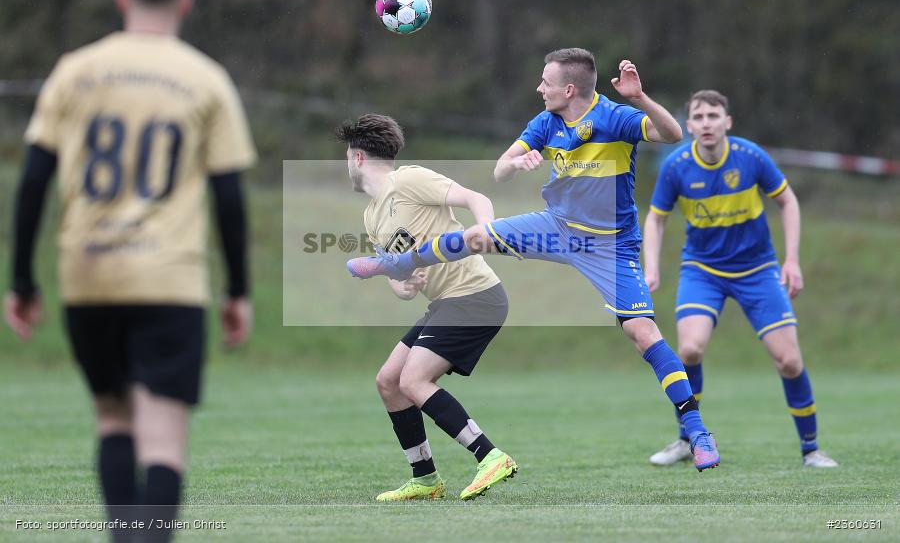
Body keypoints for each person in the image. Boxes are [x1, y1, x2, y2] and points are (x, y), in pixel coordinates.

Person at [349, 50, 720, 471]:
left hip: (609, 246)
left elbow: (672, 134)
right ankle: (397, 264)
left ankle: (697, 430)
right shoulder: (545, 122)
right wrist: (516, 162)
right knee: (475, 235)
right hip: (554, 227)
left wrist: (641, 98)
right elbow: (499, 171)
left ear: (569, 88)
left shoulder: (615, 117)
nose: (538, 89)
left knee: (642, 333)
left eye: (545, 82)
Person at [3, 0, 257, 540]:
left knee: (113, 418)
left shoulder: (75, 70)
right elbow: (228, 197)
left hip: (88, 275)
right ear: (185, 2)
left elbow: (34, 179)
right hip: (169, 277)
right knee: (164, 437)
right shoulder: (205, 79)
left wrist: (20, 278)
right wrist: (239, 290)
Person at [642, 89, 837, 468]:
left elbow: (788, 201)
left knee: (789, 361)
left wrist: (792, 260)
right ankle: (688, 440)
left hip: (758, 270)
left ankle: (811, 449)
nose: (706, 123)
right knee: (690, 350)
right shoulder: (677, 165)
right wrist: (651, 266)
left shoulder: (750, 157)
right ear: (689, 125)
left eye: (713, 116)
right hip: (703, 270)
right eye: (698, 117)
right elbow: (656, 217)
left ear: (727, 122)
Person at [338, 113, 517, 501]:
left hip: (475, 295)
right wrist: (405, 286)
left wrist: (486, 228)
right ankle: (425, 479)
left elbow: (476, 198)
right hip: (444, 304)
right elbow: (398, 280)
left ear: (356, 158)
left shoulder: (408, 180)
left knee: (413, 381)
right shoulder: (372, 216)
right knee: (389, 381)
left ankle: (491, 457)